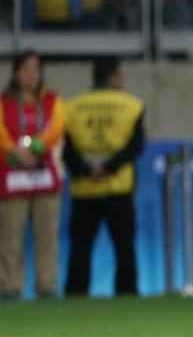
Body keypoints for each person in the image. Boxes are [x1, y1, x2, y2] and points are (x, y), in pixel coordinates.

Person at [62, 57, 146, 297]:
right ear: (113, 76)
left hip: (84, 188)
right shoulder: (132, 105)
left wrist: (87, 170)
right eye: (120, 75)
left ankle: (75, 295)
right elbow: (135, 147)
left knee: (80, 247)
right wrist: (108, 167)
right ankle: (126, 294)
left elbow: (66, 149)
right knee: (124, 246)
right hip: (118, 187)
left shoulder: (72, 106)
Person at [0, 50, 65, 299]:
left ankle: (46, 285)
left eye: (36, 68)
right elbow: (1, 132)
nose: (32, 74)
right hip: (12, 175)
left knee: (47, 236)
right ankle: (9, 286)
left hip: (44, 175)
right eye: (26, 68)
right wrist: (15, 151)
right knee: (10, 237)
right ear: (16, 72)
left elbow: (56, 128)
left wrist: (36, 147)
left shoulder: (52, 100)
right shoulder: (4, 101)